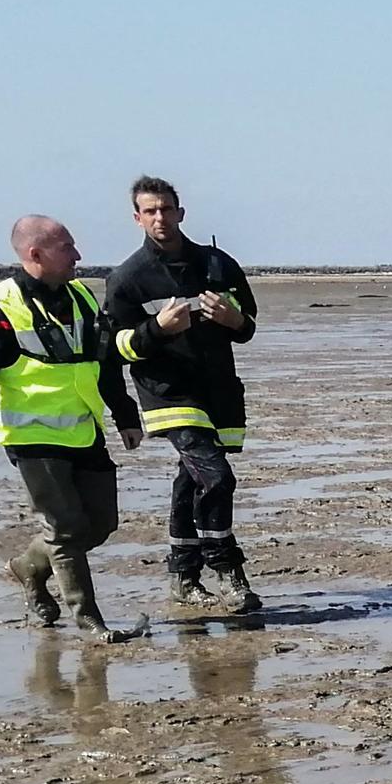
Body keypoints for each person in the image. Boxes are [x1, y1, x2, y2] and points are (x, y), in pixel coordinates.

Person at [0, 215, 145, 636]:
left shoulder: (83, 297)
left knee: (99, 524)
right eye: (67, 248)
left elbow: (105, 361)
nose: (78, 256)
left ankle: (27, 567)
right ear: (35, 254)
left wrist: (125, 416)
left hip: (82, 428)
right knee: (64, 528)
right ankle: (89, 620)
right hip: (31, 436)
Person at [104, 175, 263, 614]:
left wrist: (234, 321)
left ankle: (182, 575)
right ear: (137, 218)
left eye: (166, 209)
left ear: (180, 212)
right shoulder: (127, 279)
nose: (160, 218)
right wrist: (156, 329)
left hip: (217, 389)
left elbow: (248, 327)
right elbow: (114, 348)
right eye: (150, 211)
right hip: (167, 393)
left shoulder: (218, 264)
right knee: (217, 478)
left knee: (190, 480)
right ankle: (227, 569)